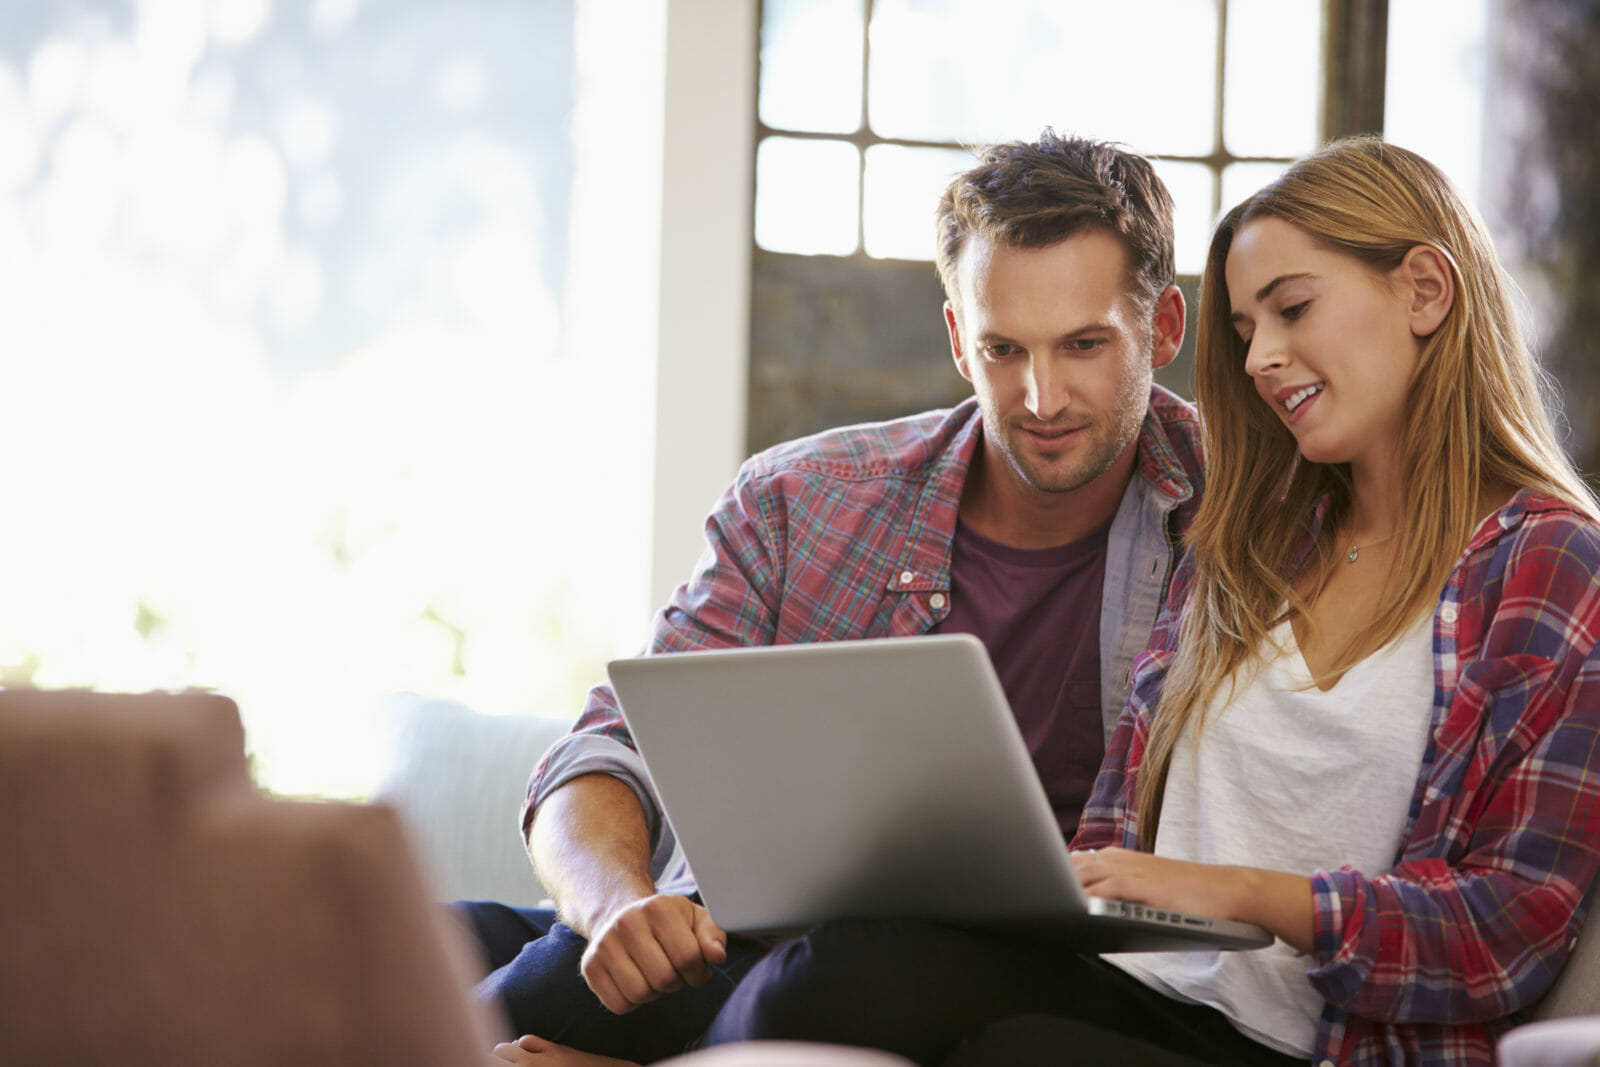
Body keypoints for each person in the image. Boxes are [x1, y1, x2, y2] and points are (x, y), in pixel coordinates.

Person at [697, 138, 1600, 1066]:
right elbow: (1115, 833)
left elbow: (1509, 927)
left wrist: (1235, 891)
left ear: (1424, 290)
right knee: (839, 969)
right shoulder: (1248, 540)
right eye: (1247, 330)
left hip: (1311, 1045)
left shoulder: (1551, 563)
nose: (1261, 359)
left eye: (1292, 309)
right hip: (1135, 994)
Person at [457, 129, 1202, 1065]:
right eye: (1003, 348)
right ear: (957, 343)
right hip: (741, 929)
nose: (1041, 395)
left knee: (827, 975)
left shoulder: (1237, 519)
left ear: (1164, 328)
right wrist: (617, 904)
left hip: (998, 975)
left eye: (1085, 345)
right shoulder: (800, 500)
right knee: (471, 957)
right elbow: (610, 745)